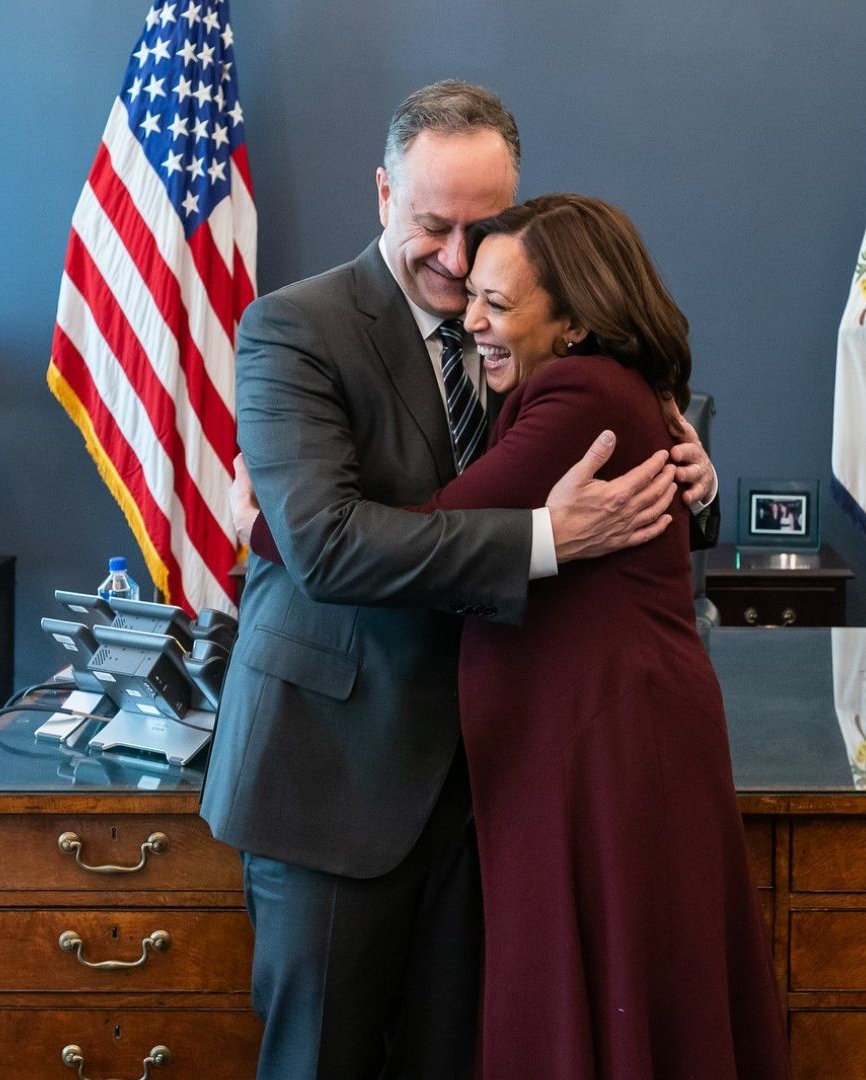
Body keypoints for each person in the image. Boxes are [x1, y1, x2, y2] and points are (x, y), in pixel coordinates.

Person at [202, 82, 719, 1080]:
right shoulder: (295, 328)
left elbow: (623, 445)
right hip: (336, 778)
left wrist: (694, 481)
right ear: (384, 192)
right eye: (431, 225)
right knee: (324, 1061)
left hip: (495, 787)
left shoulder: (541, 318)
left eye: (481, 230)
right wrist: (539, 538)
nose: (454, 258)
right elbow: (330, 548)